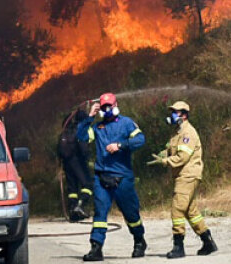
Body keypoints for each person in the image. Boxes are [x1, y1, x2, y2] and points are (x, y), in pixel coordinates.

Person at [77, 92, 147, 261]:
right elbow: (82, 137)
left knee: (131, 214)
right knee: (100, 212)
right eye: (103, 108)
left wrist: (120, 145)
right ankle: (96, 247)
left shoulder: (126, 123)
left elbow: (140, 140)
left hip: (123, 177)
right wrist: (89, 117)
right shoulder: (97, 128)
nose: (107, 110)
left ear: (116, 106)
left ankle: (139, 241)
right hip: (102, 177)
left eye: (110, 106)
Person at [148, 101, 218, 258]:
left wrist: (166, 162)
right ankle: (208, 242)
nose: (172, 115)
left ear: (184, 115)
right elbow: (170, 149)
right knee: (190, 211)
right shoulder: (177, 132)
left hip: (188, 175)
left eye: (175, 112)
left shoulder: (188, 133)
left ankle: (178, 247)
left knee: (177, 209)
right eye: (172, 111)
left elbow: (183, 157)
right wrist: (162, 155)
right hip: (182, 175)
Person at [57, 109, 93, 221]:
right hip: (77, 161)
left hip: (67, 163)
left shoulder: (66, 130)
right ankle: (80, 206)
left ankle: (73, 212)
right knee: (88, 184)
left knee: (72, 188)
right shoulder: (81, 128)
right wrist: (86, 157)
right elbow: (83, 146)